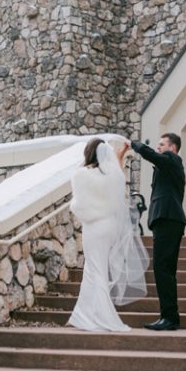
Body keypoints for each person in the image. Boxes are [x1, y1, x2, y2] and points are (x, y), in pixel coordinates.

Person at [68, 137, 148, 332]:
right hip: (110, 227)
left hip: (94, 227)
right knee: (93, 268)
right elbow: (119, 178)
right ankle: (83, 314)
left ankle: (104, 317)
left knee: (96, 269)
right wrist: (119, 156)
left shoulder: (81, 175)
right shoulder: (114, 175)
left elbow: (78, 204)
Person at [130, 132, 186, 331]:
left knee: (163, 269)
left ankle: (170, 317)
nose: (158, 148)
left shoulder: (172, 159)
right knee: (165, 270)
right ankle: (169, 316)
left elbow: (153, 156)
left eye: (162, 144)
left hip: (168, 221)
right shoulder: (168, 167)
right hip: (167, 221)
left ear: (172, 148)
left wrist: (135, 145)